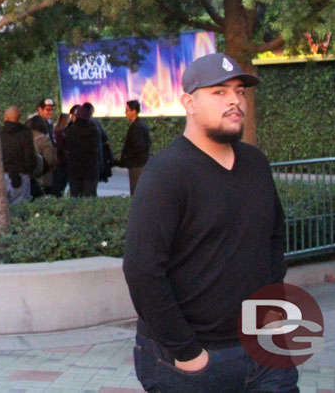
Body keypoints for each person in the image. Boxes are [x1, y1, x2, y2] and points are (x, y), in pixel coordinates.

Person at [122, 53, 293, 392]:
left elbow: (274, 237)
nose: (235, 100)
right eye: (219, 92)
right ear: (189, 102)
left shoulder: (256, 163)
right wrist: (187, 352)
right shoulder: (166, 174)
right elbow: (142, 269)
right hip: (192, 362)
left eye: (240, 91)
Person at [62, 103, 101, 197]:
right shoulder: (95, 130)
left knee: (75, 196)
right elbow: (97, 150)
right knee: (89, 196)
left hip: (74, 168)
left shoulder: (70, 130)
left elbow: (66, 147)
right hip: (91, 168)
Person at [0, 106, 36, 204]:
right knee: (22, 209)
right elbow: (30, 156)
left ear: (5, 117)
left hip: (3, 175)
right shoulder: (25, 134)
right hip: (22, 175)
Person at [119, 99, 151, 195]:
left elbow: (139, 146)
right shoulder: (140, 124)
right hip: (139, 163)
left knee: (136, 192)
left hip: (136, 165)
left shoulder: (137, 126)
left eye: (127, 110)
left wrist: (127, 157)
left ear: (134, 111)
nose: (125, 113)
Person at [27, 115, 58, 197]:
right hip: (43, 179)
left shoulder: (25, 137)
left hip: (28, 178)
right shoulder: (44, 139)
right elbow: (49, 160)